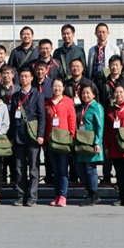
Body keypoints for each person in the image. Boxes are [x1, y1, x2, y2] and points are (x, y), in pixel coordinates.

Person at [8, 68, 46, 207]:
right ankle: (20, 195)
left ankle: (32, 196)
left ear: (31, 78)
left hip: (32, 136)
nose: (23, 78)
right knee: (19, 168)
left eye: (26, 76)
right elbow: (12, 118)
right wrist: (12, 136)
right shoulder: (15, 96)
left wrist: (40, 134)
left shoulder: (37, 95)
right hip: (18, 136)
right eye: (21, 76)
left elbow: (42, 116)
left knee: (33, 169)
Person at [45, 78, 76, 207]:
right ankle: (57, 195)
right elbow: (45, 122)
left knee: (63, 169)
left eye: (59, 86)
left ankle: (63, 195)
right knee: (55, 169)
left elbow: (72, 119)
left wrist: (72, 136)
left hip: (63, 140)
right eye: (54, 86)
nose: (57, 88)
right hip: (51, 140)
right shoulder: (47, 103)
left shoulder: (69, 102)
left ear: (63, 88)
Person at [75, 85, 104, 207]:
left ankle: (92, 194)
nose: (85, 95)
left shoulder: (97, 107)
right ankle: (93, 194)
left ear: (94, 94)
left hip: (91, 142)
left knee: (90, 169)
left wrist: (97, 142)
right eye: (83, 93)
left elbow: (100, 126)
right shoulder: (80, 107)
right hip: (81, 142)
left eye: (88, 93)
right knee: (80, 169)